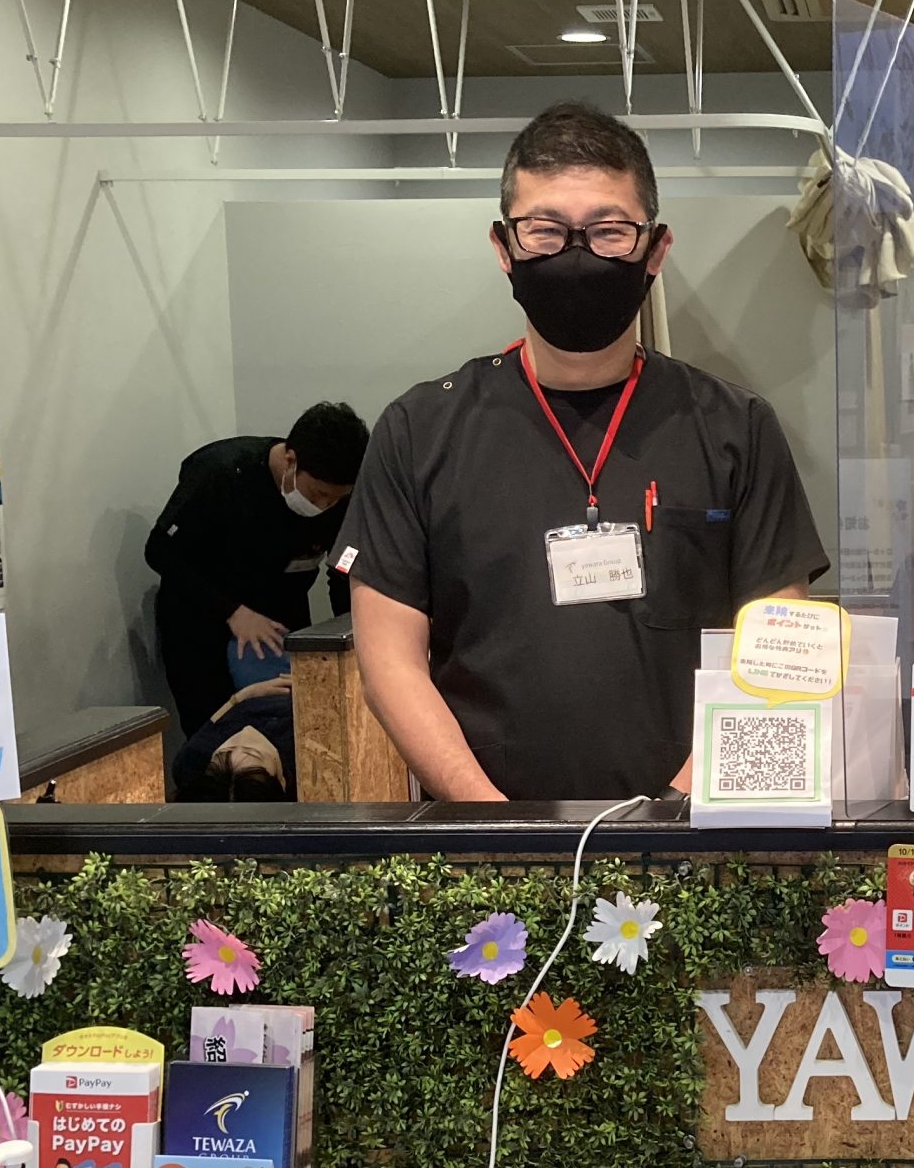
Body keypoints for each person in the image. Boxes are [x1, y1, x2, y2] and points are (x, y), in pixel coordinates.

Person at [337, 101, 827, 801]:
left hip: (691, 829)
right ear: (503, 246)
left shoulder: (735, 427)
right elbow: (390, 662)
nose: (576, 254)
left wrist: (677, 812)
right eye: (545, 230)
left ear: (655, 249)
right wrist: (494, 824)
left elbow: (782, 645)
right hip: (489, 832)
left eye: (608, 231)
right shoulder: (419, 430)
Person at [143, 402, 368, 735]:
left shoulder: (340, 497)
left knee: (293, 729)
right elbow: (159, 551)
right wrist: (233, 612)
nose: (325, 507)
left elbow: (343, 564)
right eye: (319, 495)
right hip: (203, 620)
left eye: (335, 500)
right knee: (219, 736)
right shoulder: (220, 473)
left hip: (279, 623)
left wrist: (352, 634)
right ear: (291, 460)